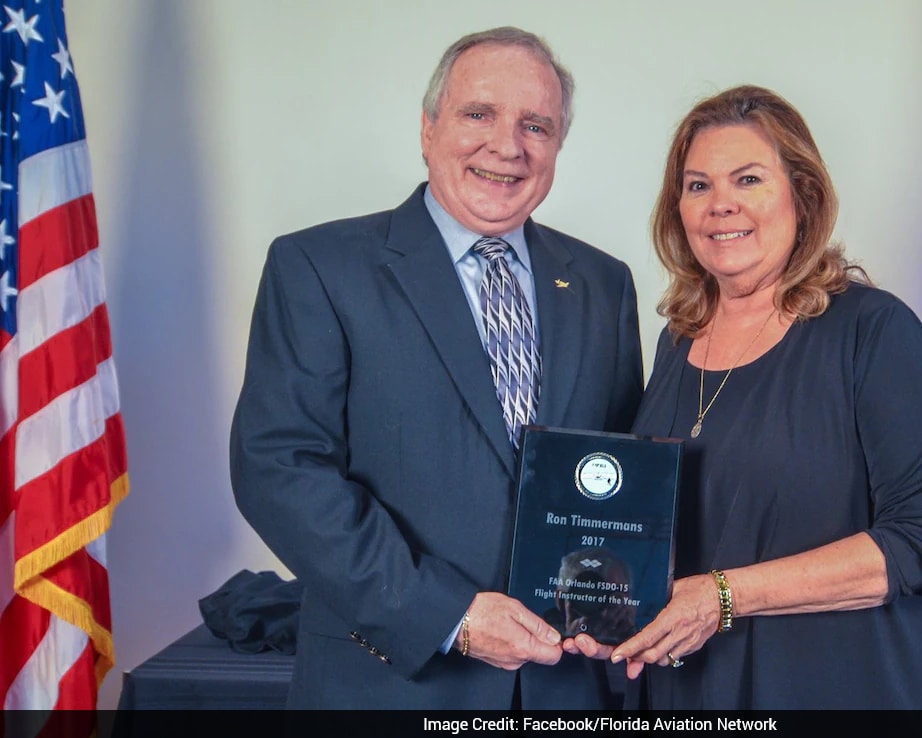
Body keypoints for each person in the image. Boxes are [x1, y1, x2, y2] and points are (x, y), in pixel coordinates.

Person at [229, 26, 643, 710]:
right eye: (479, 114)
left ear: (557, 145)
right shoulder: (319, 268)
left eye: (535, 125)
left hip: (565, 688)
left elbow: (620, 474)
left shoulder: (604, 284)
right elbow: (279, 470)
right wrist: (448, 616)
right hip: (390, 686)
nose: (507, 146)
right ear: (428, 129)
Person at [568, 85, 922, 709]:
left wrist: (723, 597)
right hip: (694, 689)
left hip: (838, 690)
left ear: (802, 196)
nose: (720, 205)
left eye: (748, 179)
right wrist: (604, 606)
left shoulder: (873, 332)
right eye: (698, 186)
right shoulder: (678, 340)